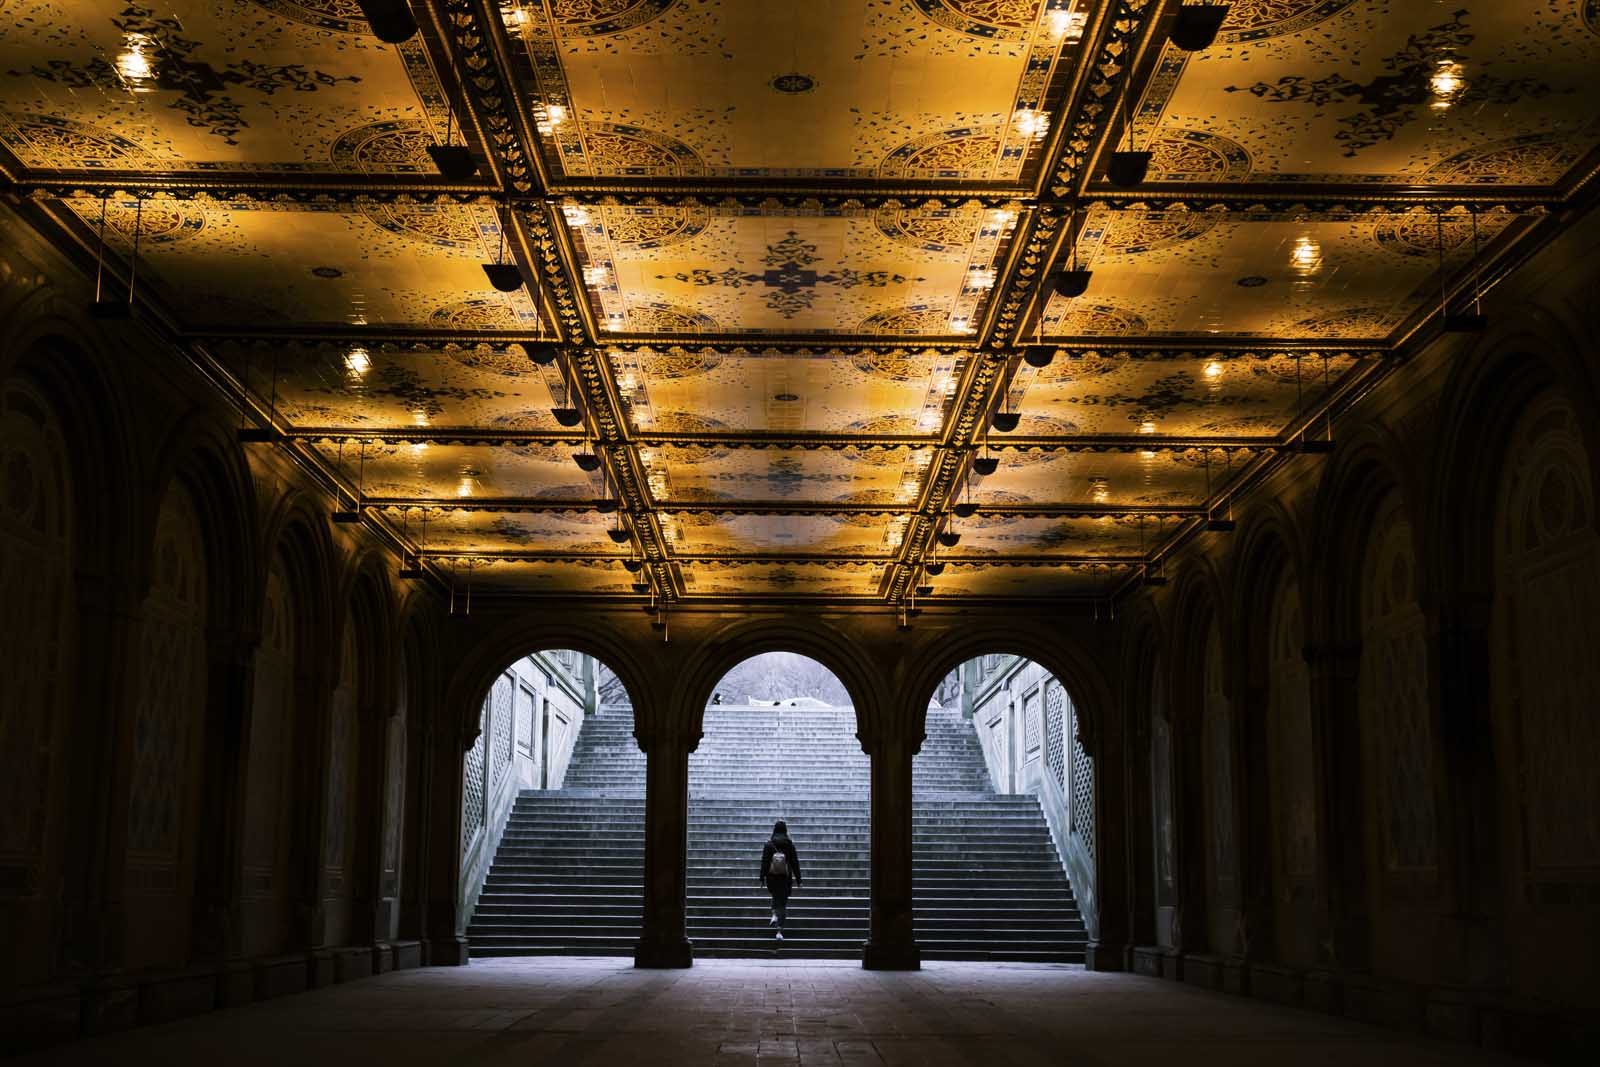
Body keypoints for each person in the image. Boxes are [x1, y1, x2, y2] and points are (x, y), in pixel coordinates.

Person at [759, 819, 802, 940]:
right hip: (785, 877)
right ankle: (779, 931)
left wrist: (762, 878)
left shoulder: (769, 844)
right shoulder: (789, 844)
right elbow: (794, 862)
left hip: (772, 877)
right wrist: (799, 880)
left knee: (775, 896)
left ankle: (773, 914)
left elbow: (765, 862)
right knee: (782, 903)